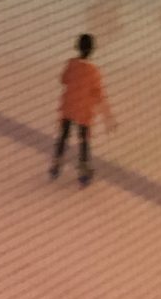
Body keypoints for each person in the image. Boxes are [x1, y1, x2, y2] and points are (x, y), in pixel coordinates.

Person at [49, 34, 114, 187]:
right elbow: (98, 93)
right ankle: (83, 170)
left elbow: (63, 79)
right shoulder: (93, 71)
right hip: (84, 110)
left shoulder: (71, 64)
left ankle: (56, 163)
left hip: (68, 106)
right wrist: (107, 114)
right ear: (92, 50)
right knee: (83, 139)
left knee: (63, 135)